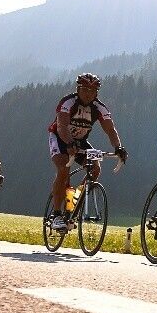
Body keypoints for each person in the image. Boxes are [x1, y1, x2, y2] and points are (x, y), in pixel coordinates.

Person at [47, 73, 127, 232]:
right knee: (64, 169)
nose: (88, 94)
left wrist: (118, 147)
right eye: (84, 89)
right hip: (60, 138)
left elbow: (110, 130)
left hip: (81, 142)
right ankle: (56, 215)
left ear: (97, 93)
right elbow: (62, 126)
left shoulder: (99, 108)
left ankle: (73, 200)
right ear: (78, 89)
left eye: (92, 91)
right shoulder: (68, 102)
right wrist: (69, 143)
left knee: (95, 169)